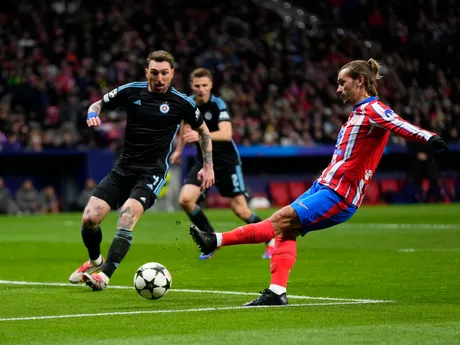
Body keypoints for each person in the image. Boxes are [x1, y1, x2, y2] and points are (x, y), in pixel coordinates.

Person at [189, 59, 450, 306]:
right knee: (286, 230)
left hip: (340, 195)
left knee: (279, 219)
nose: (338, 89)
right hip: (325, 187)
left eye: (342, 82)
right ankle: (276, 292)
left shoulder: (374, 108)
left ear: (359, 81)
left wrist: (430, 138)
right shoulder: (359, 112)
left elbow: (398, 124)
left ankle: (215, 240)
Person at [69, 50, 215, 291]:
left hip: (152, 172)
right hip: (124, 168)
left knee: (127, 216)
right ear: (146, 72)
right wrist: (93, 112)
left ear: (172, 74)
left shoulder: (182, 103)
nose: (159, 78)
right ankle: (95, 260)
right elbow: (99, 103)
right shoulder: (131, 90)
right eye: (155, 73)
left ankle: (104, 276)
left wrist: (208, 166)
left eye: (164, 73)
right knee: (89, 219)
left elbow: (204, 131)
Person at [170, 68, 274, 260]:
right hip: (203, 162)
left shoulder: (218, 104)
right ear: (192, 86)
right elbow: (184, 125)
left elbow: (226, 135)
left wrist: (201, 134)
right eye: (197, 86)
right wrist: (178, 150)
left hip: (226, 163)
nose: (201, 89)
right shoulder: (189, 103)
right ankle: (210, 240)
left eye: (204, 85)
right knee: (185, 199)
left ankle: (271, 240)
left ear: (210, 86)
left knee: (241, 210)